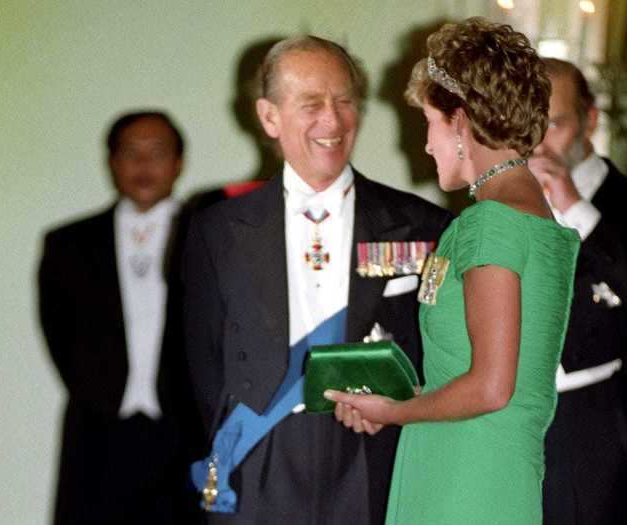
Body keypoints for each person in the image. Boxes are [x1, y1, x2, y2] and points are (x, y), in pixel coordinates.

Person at [182, 36, 451, 524]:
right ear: (269, 117)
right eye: (311, 105)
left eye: (345, 101)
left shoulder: (420, 225)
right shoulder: (219, 230)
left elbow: (438, 351)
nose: (333, 120)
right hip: (261, 457)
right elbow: (203, 361)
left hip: (375, 455)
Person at [327, 18, 580, 524]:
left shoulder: (491, 224)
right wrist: (397, 399)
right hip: (486, 466)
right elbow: (480, 378)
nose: (426, 144)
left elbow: (491, 387)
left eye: (429, 123)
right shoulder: (528, 214)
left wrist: (395, 413)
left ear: (460, 122)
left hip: (466, 478)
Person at [528, 58, 627, 525]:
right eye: (527, 125)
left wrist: (574, 207)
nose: (538, 143)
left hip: (600, 433)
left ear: (589, 120)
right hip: (519, 429)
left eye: (553, 124)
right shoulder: (508, 202)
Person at [38, 111, 200, 524]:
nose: (144, 165)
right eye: (131, 153)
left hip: (186, 433)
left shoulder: (210, 236)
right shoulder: (68, 244)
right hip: (99, 434)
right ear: (112, 162)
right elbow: (59, 333)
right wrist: (98, 390)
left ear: (179, 162)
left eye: (158, 152)